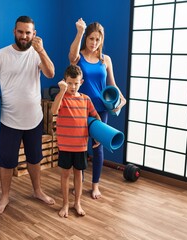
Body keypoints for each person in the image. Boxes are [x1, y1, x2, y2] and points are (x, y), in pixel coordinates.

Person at [0, 16, 55, 215]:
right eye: (20, 32)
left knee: (35, 159)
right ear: (14, 31)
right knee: (6, 161)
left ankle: (38, 191)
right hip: (8, 120)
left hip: (34, 119)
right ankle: (4, 196)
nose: (24, 36)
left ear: (34, 34)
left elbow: (51, 73)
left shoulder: (37, 54)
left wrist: (42, 50)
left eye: (28, 32)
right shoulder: (0, 55)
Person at [68, 18, 127, 199]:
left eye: (97, 39)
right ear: (86, 38)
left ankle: (95, 185)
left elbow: (112, 84)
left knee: (97, 147)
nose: (94, 43)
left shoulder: (105, 60)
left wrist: (122, 98)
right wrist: (79, 31)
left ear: (102, 40)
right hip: (80, 108)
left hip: (100, 109)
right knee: (80, 148)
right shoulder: (79, 57)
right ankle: (80, 181)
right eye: (91, 38)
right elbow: (71, 57)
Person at [51, 64, 101, 218]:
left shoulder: (86, 100)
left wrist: (98, 134)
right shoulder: (62, 98)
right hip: (65, 146)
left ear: (82, 82)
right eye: (70, 83)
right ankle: (65, 203)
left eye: (76, 83)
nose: (73, 87)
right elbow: (53, 110)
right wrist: (61, 91)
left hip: (80, 146)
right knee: (65, 174)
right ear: (65, 81)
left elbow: (96, 117)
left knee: (78, 174)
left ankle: (77, 202)